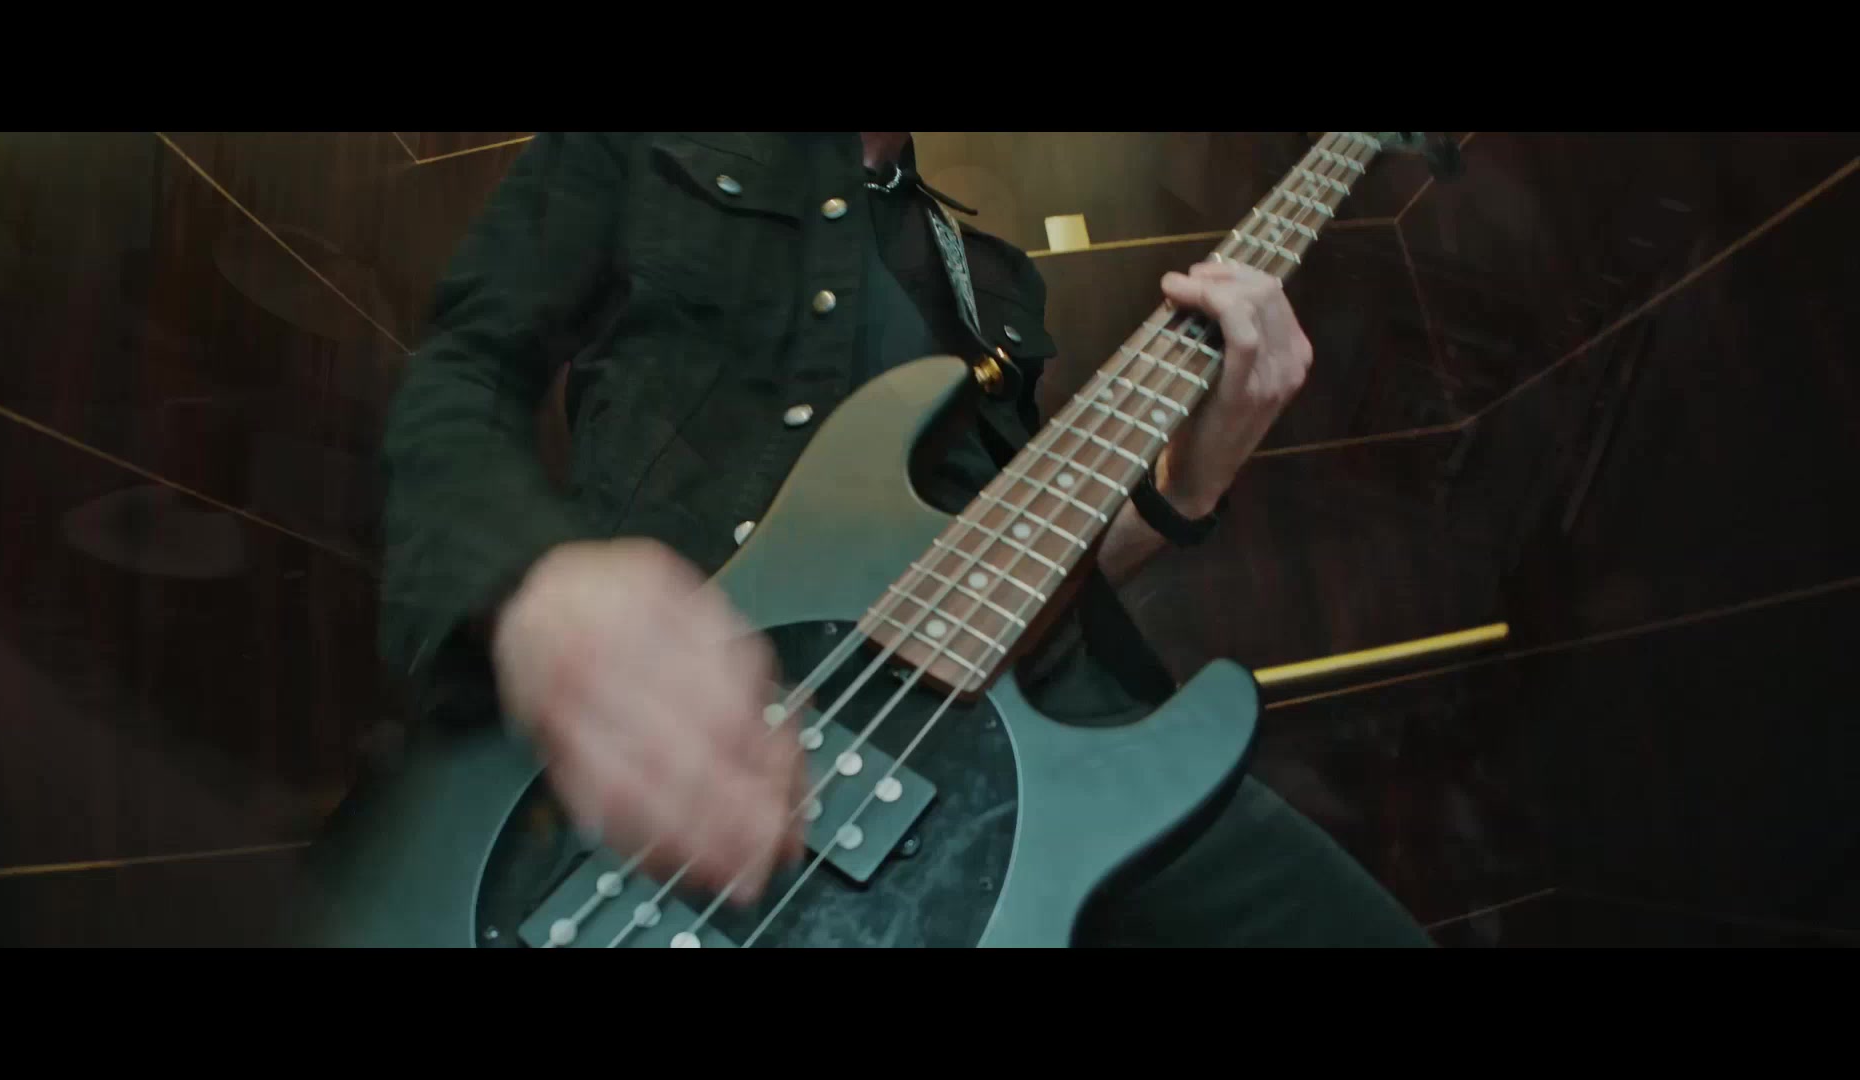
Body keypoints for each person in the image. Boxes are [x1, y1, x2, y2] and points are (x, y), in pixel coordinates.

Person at [378, 131, 1430, 947]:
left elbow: (1027, 573)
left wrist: (1191, 480)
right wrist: (531, 585)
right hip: (701, 749)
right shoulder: (639, 148)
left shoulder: (992, 279)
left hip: (1046, 747)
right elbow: (464, 370)